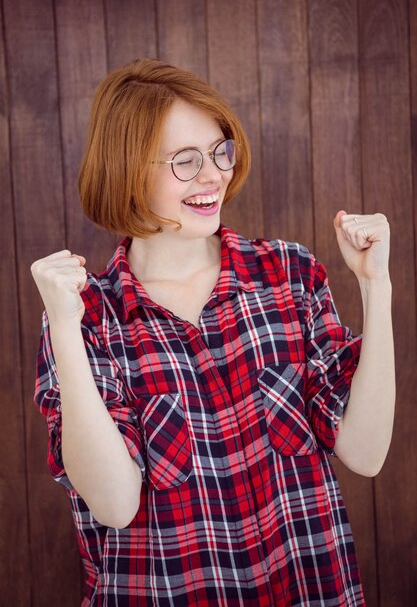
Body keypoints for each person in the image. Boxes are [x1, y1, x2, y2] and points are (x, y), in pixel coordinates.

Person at [32, 58, 394, 607]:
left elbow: (365, 454)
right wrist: (63, 324)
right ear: (126, 168)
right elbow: (114, 503)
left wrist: (376, 285)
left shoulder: (289, 275)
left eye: (220, 150)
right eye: (185, 160)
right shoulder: (87, 317)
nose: (214, 175)